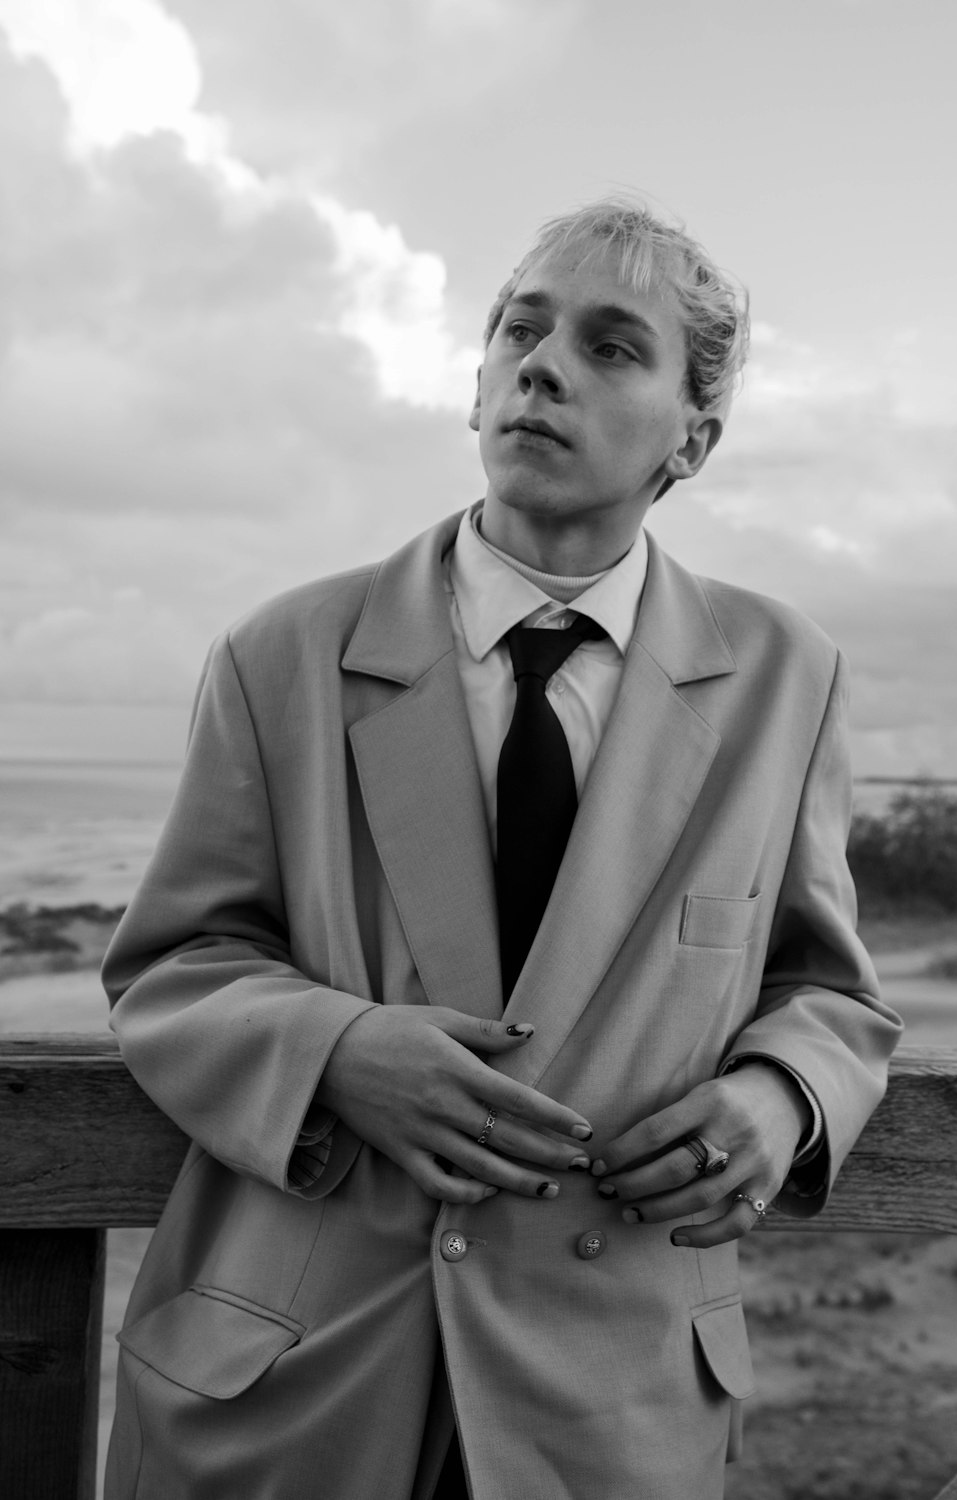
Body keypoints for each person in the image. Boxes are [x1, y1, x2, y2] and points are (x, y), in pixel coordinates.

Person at [102, 197, 902, 1500]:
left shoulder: (786, 677)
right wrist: (338, 1052)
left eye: (611, 347)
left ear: (691, 440)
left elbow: (827, 989)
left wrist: (783, 1099)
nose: (542, 365)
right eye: (519, 332)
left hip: (619, 1399)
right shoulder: (279, 653)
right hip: (298, 1380)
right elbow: (173, 965)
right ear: (477, 389)